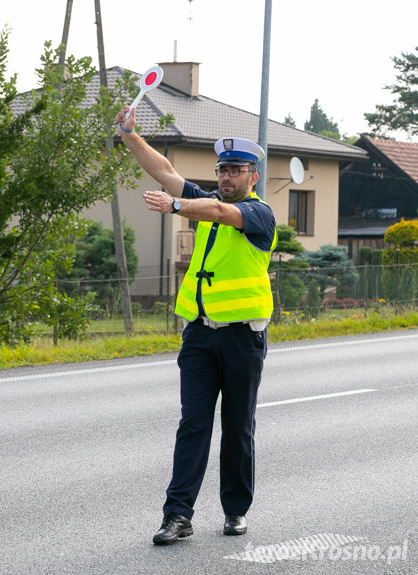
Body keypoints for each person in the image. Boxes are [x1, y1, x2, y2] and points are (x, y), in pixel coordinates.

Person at [113, 107, 277, 545]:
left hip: (243, 337)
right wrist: (130, 135)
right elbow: (164, 170)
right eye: (222, 170)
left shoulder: (260, 216)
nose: (227, 176)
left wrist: (178, 205)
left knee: (238, 427)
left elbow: (221, 212)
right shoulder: (207, 201)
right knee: (193, 425)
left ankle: (235, 511)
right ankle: (177, 516)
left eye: (236, 170)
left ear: (253, 176)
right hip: (200, 336)